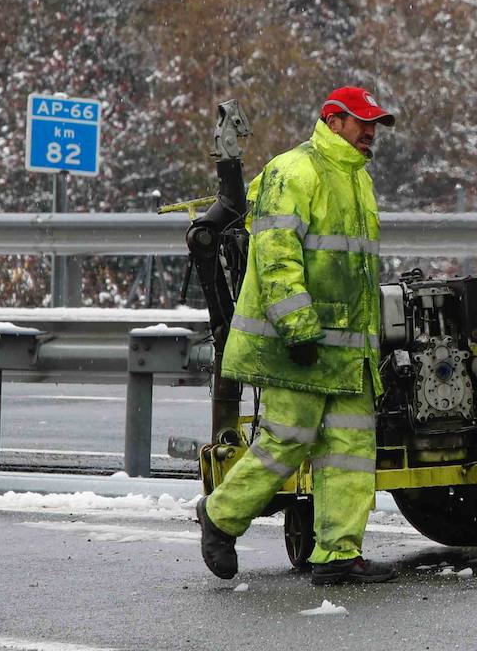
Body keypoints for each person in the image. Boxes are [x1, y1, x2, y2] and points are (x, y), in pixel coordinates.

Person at [196, 86, 398, 586]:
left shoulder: (356, 180)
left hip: (346, 353)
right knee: (285, 442)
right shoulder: (295, 171)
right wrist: (299, 327)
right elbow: (276, 258)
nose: (370, 132)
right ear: (333, 121)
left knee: (350, 452)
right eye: (361, 122)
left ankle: (337, 555)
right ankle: (219, 517)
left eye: (374, 124)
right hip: (299, 345)